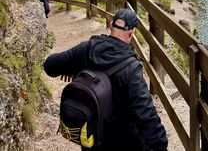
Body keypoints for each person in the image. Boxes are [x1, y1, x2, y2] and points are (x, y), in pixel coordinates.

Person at [43, 8, 168, 151]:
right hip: (123, 142)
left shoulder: (86, 49)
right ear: (132, 33)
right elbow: (146, 114)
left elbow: (49, 66)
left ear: (110, 26)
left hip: (92, 136)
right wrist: (161, 145)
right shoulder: (132, 68)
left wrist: (73, 69)